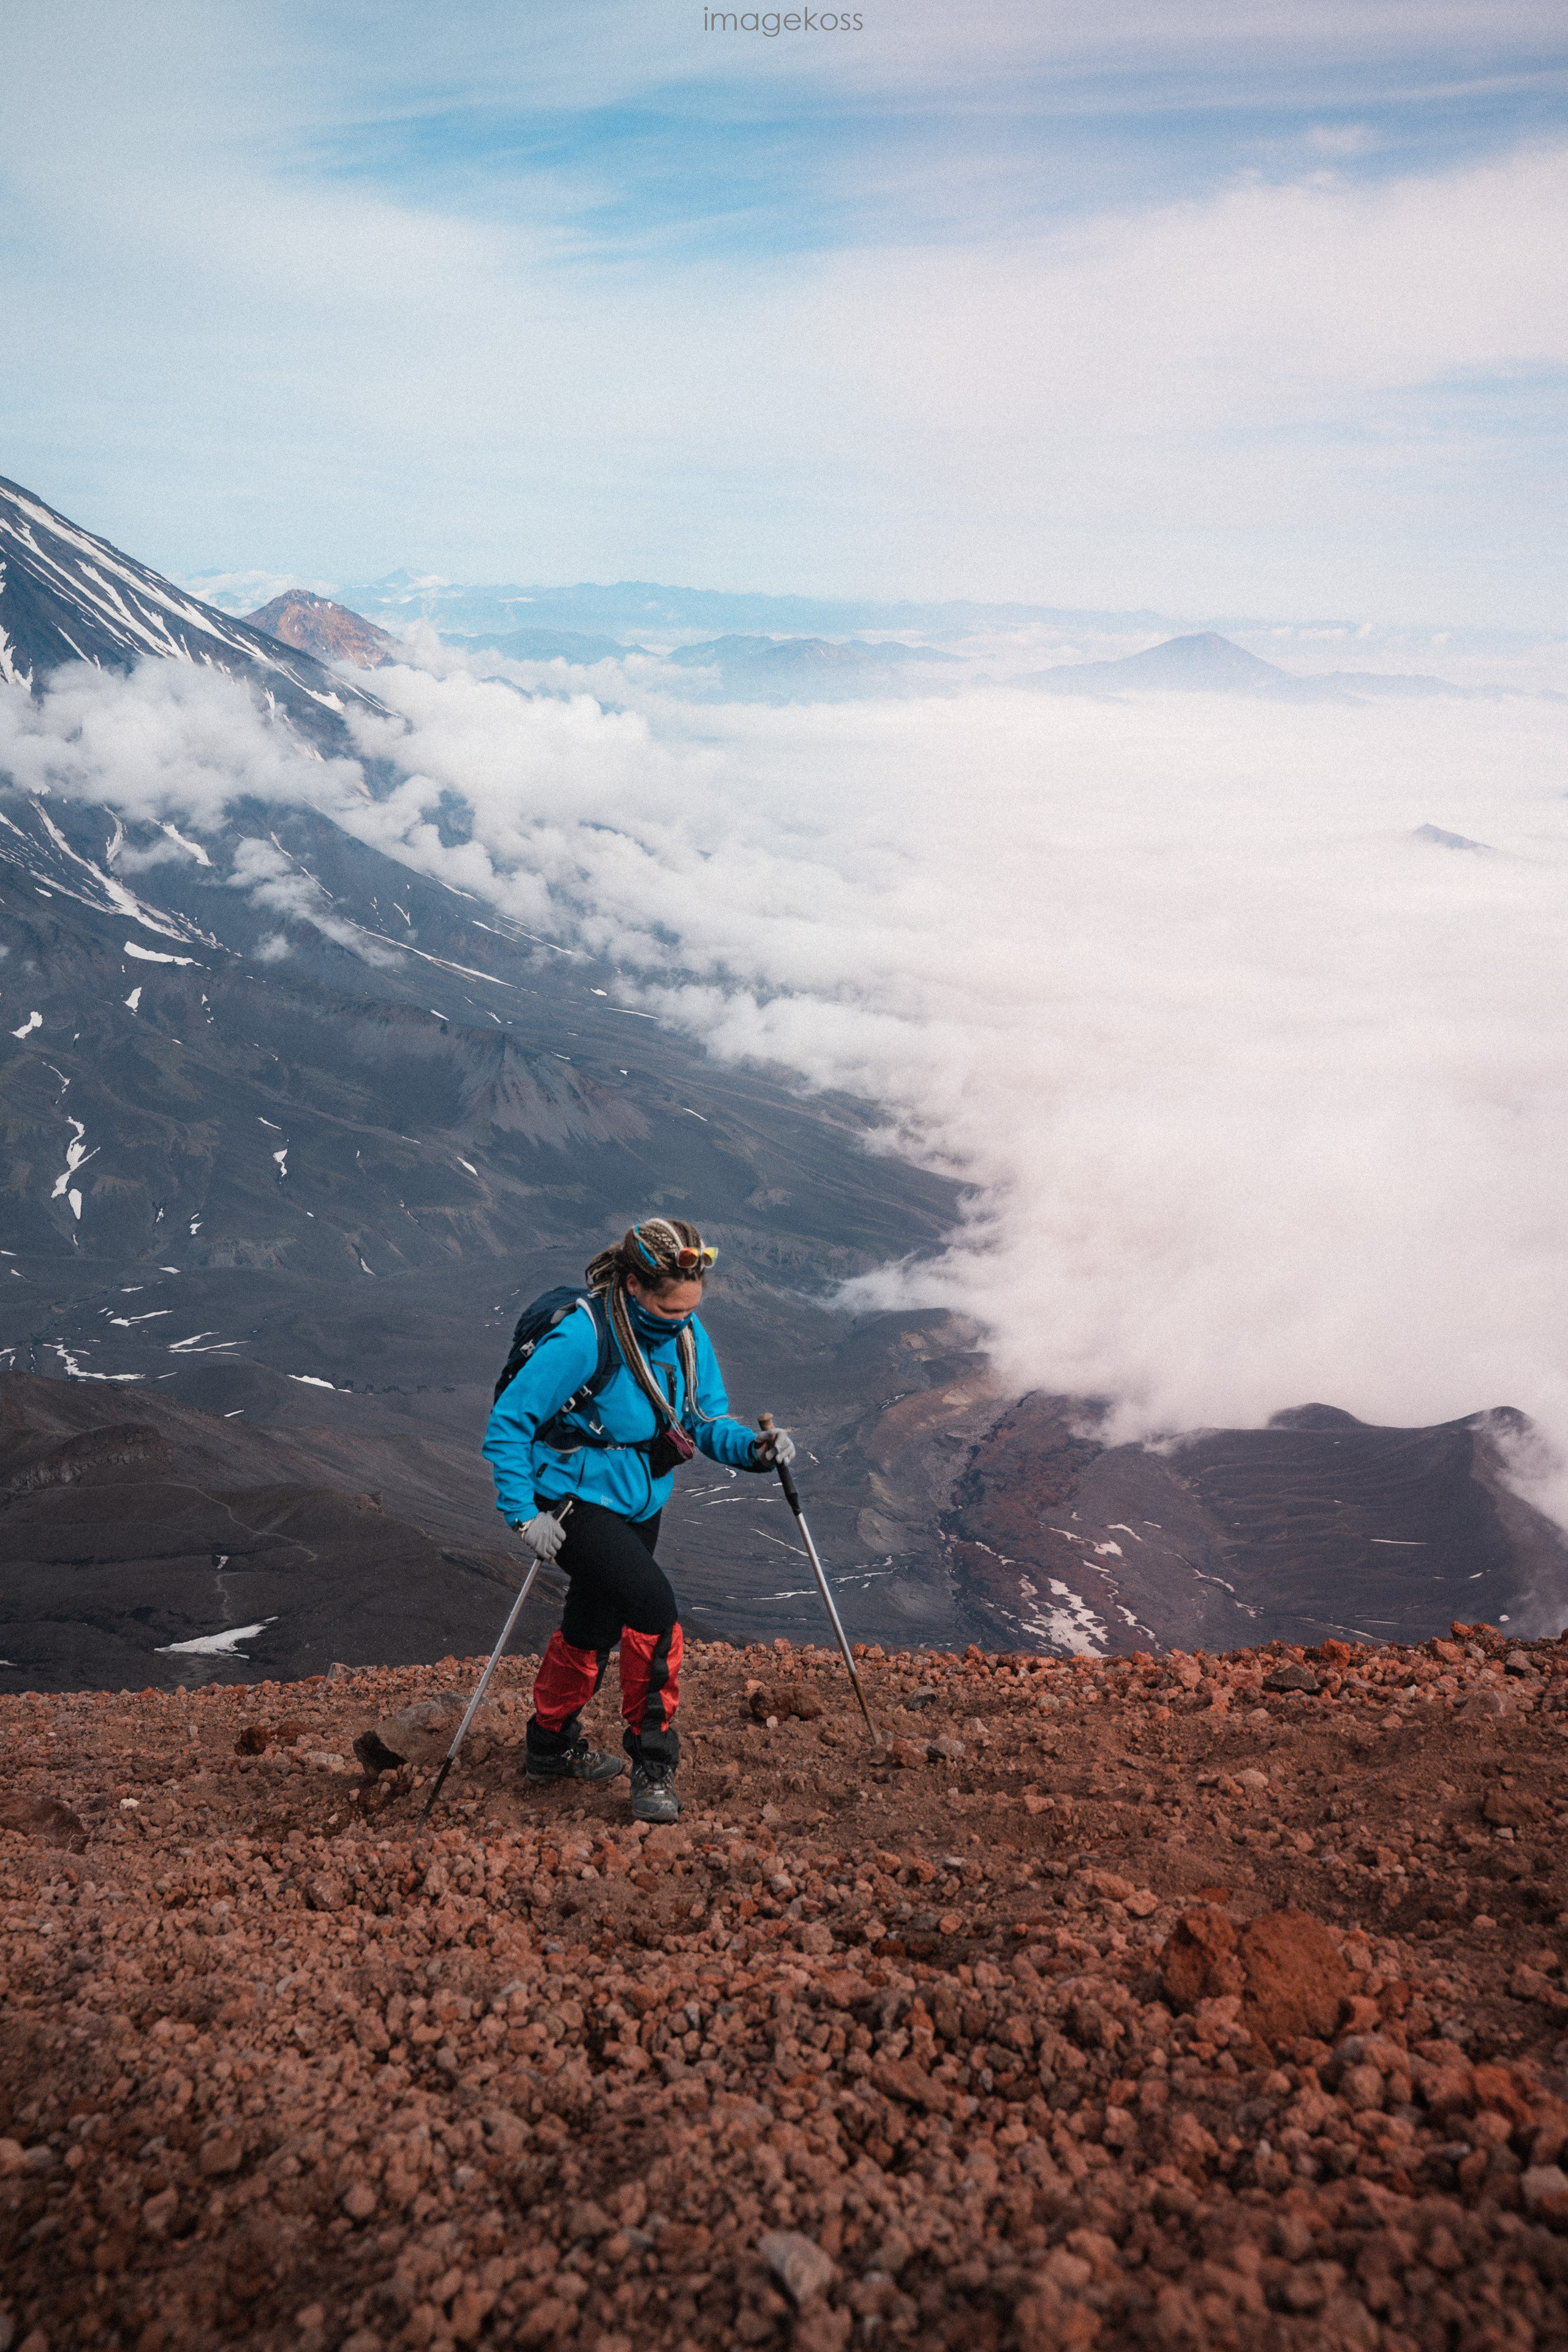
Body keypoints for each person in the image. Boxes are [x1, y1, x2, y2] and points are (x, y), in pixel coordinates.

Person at [481, 1217, 794, 1823]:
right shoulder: (582, 1337)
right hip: (570, 1501)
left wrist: (755, 1453)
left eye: (689, 1309)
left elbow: (704, 1420)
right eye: (667, 1308)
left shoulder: (685, 1335)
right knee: (652, 1606)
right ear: (631, 1285)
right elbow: (511, 1421)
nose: (679, 1320)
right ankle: (653, 1761)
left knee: (591, 1623)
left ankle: (549, 1747)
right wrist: (523, 1515)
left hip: (640, 1500)